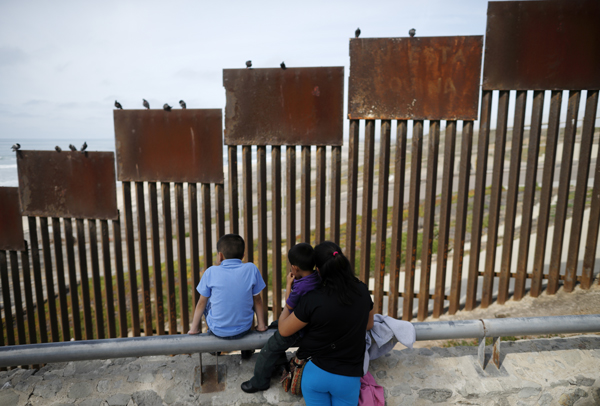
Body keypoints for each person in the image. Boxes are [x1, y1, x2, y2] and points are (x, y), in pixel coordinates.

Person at [278, 241, 374, 406]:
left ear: (319, 270)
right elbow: (369, 324)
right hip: (348, 378)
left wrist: (288, 304)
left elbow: (284, 329)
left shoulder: (313, 300)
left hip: (316, 374)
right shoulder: (362, 291)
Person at [241, 242, 320, 393]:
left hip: (299, 328)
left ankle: (259, 381)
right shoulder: (315, 278)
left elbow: (288, 304)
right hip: (306, 323)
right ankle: (280, 363)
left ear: (295, 268)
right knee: (273, 327)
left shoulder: (301, 287)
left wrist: (289, 284)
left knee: (269, 349)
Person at [188, 234, 267, 357]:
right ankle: (246, 347)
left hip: (217, 331)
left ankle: (215, 346)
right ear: (243, 255)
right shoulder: (251, 269)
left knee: (207, 300)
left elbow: (201, 304)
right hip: (244, 329)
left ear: (220, 255)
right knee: (248, 297)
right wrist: (261, 326)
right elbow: (258, 301)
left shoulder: (210, 272)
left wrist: (194, 329)